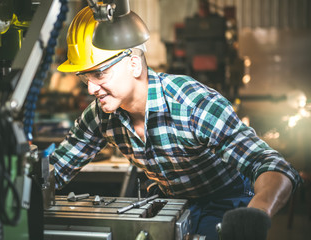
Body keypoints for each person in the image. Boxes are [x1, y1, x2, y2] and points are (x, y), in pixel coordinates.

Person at [50, 6, 301, 240]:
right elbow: (57, 168)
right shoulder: (100, 116)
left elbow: (272, 165)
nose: (91, 88)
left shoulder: (191, 104)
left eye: (100, 73)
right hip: (174, 204)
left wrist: (256, 213)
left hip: (230, 200)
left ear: (134, 64)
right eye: (85, 77)